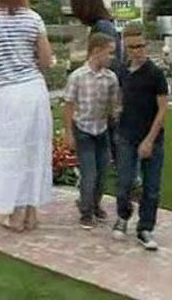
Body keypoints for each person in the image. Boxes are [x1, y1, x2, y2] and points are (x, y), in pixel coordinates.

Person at [0, 0, 53, 232]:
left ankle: (16, 214)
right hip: (33, 90)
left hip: (7, 93)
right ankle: (31, 213)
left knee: (10, 153)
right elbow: (46, 60)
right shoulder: (34, 19)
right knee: (34, 150)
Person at [111, 23, 168, 250]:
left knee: (151, 187)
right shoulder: (123, 71)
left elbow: (163, 109)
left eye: (141, 46)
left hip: (151, 138)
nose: (137, 51)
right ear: (125, 47)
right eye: (132, 47)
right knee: (124, 182)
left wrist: (149, 140)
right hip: (126, 135)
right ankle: (122, 217)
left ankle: (145, 228)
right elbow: (121, 97)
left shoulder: (155, 74)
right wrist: (117, 110)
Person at [63, 33, 119, 229]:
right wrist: (69, 133)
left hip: (102, 130)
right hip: (83, 129)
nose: (112, 57)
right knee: (89, 173)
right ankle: (86, 211)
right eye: (109, 53)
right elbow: (69, 105)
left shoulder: (110, 78)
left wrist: (117, 115)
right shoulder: (78, 77)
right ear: (96, 51)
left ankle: (95, 204)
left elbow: (114, 105)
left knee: (103, 171)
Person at [70, 0, 123, 165]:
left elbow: (108, 62)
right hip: (108, 88)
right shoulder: (105, 25)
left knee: (112, 136)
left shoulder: (102, 28)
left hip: (105, 89)